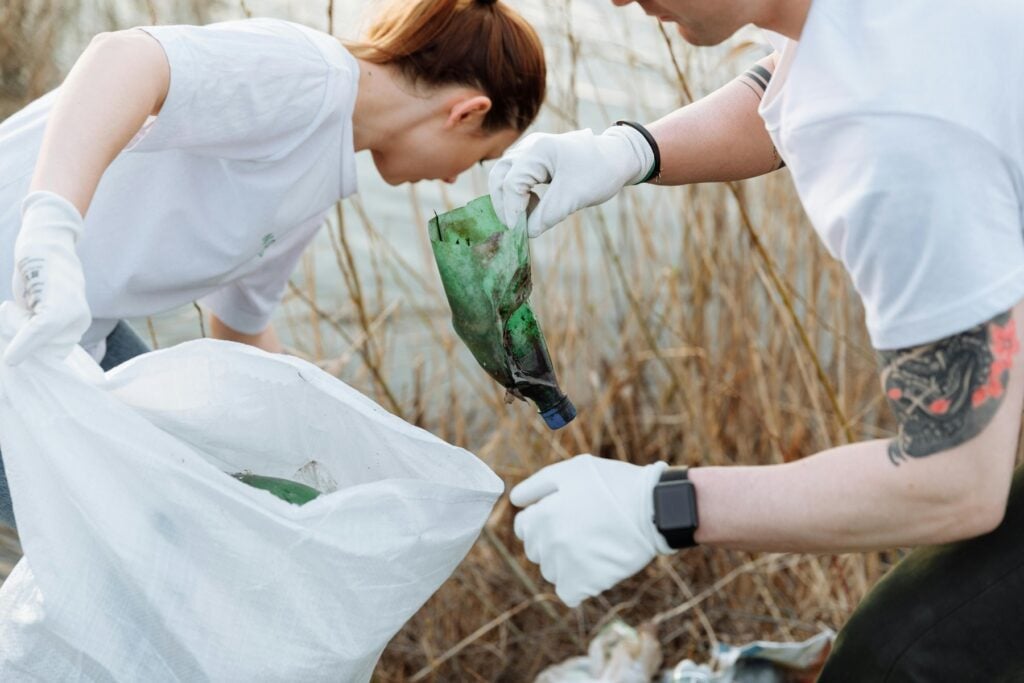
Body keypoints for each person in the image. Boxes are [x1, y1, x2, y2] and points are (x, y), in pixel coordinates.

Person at [492, 0, 1024, 678]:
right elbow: (809, 76)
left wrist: (661, 506)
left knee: (899, 653)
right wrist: (628, 150)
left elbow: (956, 481)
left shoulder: (898, 132)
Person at [0, 0, 546, 529]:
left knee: (181, 506)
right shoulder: (308, 75)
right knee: (142, 522)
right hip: (20, 301)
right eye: (481, 158)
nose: (456, 179)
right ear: (467, 112)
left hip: (60, 335)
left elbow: (239, 325)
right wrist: (51, 224)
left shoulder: (320, 175)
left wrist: (325, 427)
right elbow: (124, 57)